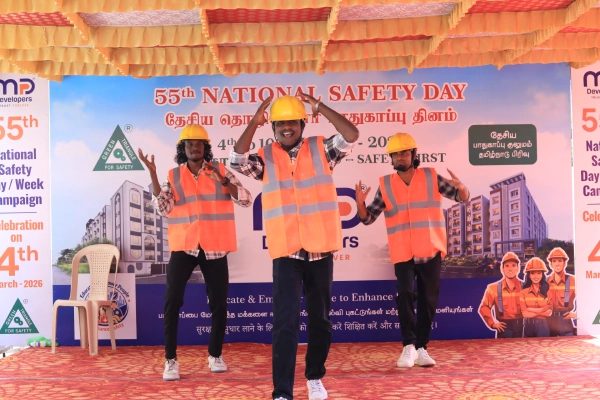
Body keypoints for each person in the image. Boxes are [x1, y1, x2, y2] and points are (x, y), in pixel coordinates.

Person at [230, 94, 358, 400]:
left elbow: (351, 134)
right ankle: (282, 392)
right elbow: (236, 159)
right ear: (273, 127)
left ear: (302, 123)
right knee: (285, 323)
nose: (287, 128)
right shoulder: (265, 158)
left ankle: (314, 377)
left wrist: (320, 108)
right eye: (280, 123)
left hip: (320, 248)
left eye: (292, 122)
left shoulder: (321, 149)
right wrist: (255, 121)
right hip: (286, 250)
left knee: (320, 320)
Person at [138, 124, 252, 381]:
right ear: (183, 148)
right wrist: (153, 175)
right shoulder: (173, 175)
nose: (194, 147)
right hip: (185, 245)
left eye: (199, 143)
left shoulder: (220, 170)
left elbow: (246, 199)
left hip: (215, 245)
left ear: (205, 147)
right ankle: (170, 359)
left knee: (219, 304)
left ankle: (215, 355)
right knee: (172, 301)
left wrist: (223, 180)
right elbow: (164, 209)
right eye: (189, 143)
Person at [355, 132, 469, 368]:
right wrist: (359, 204)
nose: (400, 157)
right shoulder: (385, 184)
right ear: (391, 158)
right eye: (395, 154)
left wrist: (462, 188)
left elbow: (461, 197)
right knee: (405, 294)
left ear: (413, 154)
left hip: (430, 248)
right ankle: (408, 345)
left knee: (428, 299)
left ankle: (421, 348)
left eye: (404, 152)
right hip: (402, 251)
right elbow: (368, 219)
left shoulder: (430, 176)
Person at [478, 252, 524, 338]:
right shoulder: (493, 288)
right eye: (507, 266)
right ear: (502, 269)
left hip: (522, 329)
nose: (510, 269)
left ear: (518, 268)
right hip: (504, 330)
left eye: (513, 266)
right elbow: (484, 307)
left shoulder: (525, 287)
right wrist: (492, 323)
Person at [545, 247, 576, 336]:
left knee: (567, 344)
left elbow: (587, 300)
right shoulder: (545, 282)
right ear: (551, 264)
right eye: (554, 261)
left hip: (565, 321)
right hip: (549, 322)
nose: (557, 264)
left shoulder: (573, 280)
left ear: (565, 263)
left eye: (560, 261)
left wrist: (576, 314)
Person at [519, 257, 552, 337]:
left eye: (539, 273)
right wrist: (542, 311)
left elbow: (549, 313)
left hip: (543, 326)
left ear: (542, 275)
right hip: (528, 326)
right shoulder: (523, 293)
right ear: (529, 275)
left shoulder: (548, 291)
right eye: (533, 273)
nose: (536, 276)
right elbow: (525, 314)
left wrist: (530, 309)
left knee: (543, 345)